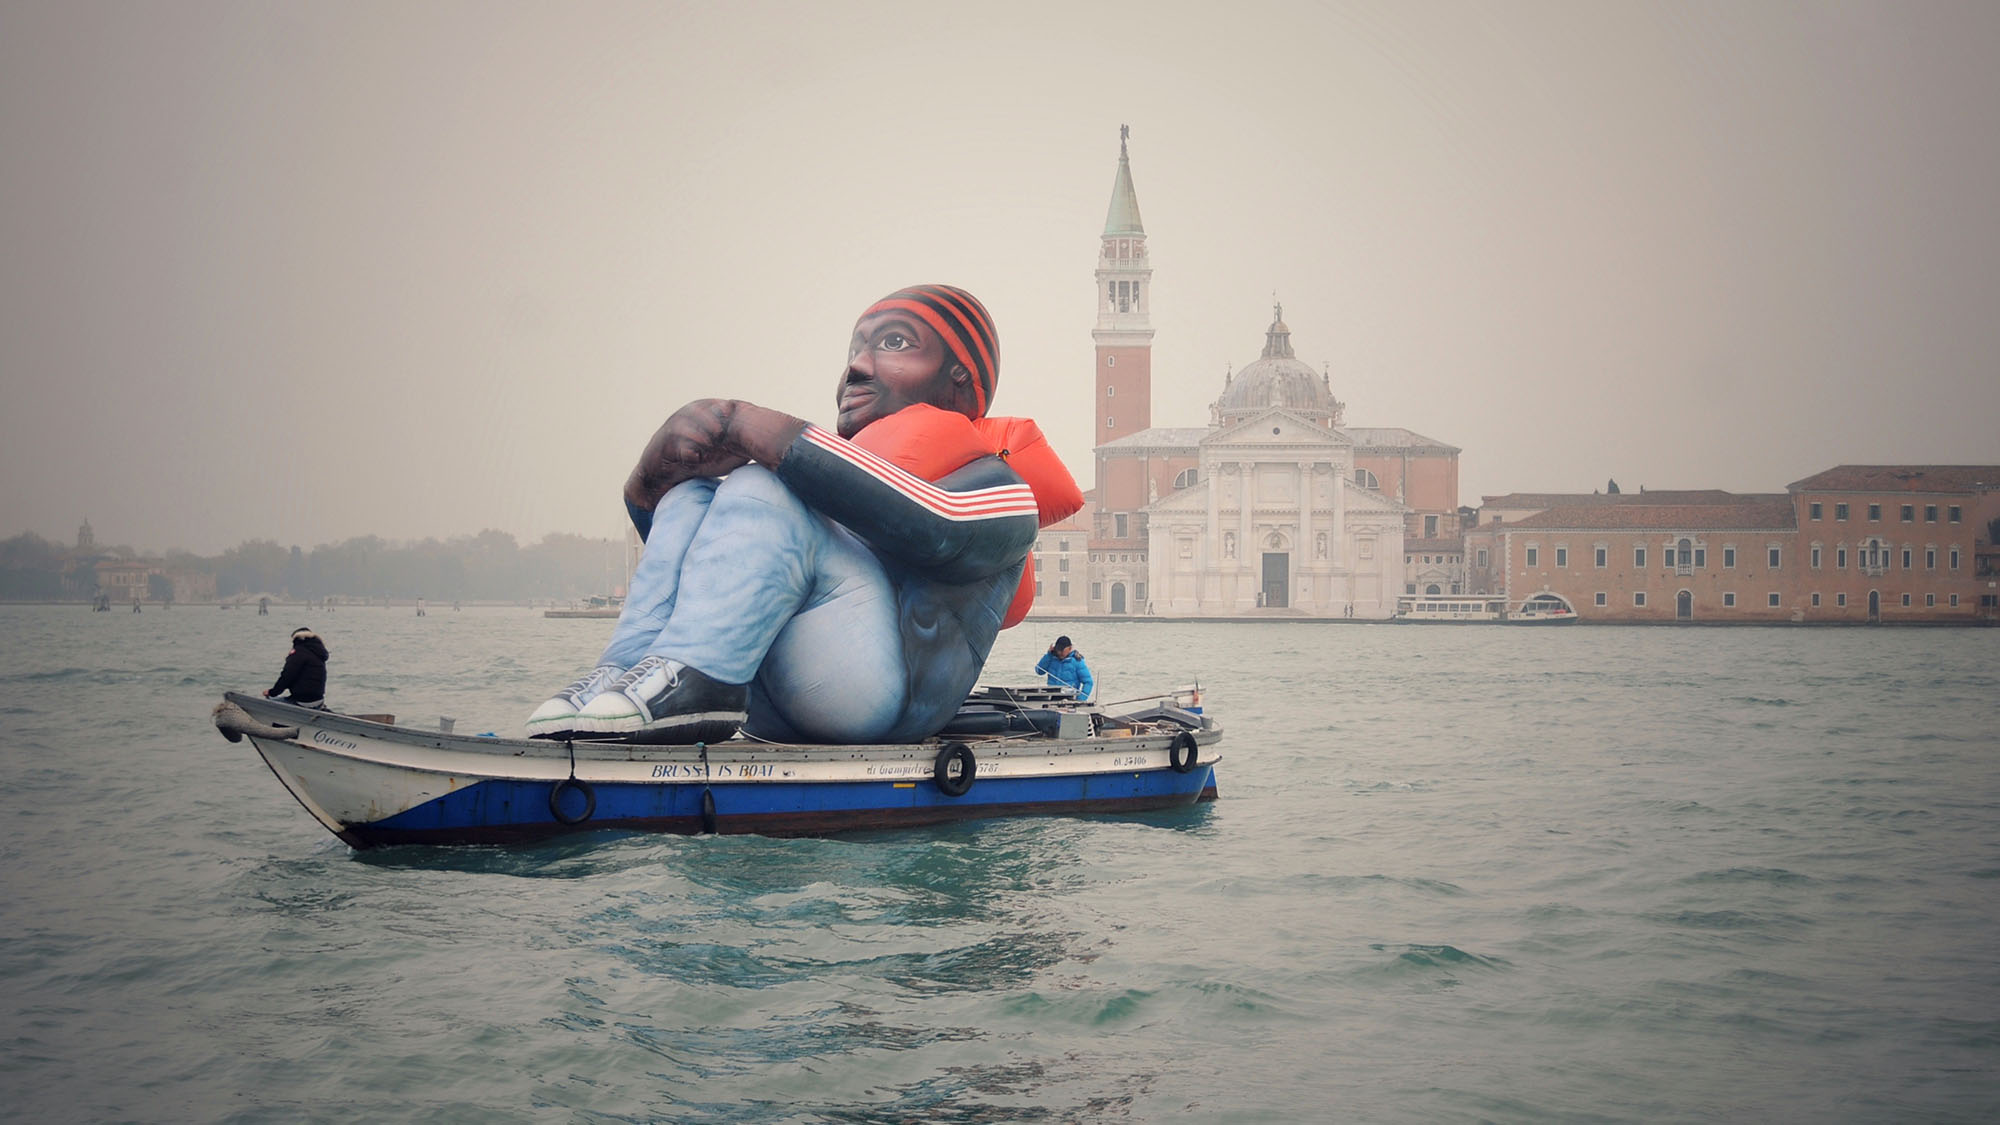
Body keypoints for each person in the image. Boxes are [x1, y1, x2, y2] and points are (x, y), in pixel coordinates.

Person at [528, 284, 1083, 745]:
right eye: (854, 350)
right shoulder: (829, 490)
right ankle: (627, 673)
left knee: (757, 484)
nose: (858, 367)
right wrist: (650, 482)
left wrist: (752, 427)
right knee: (692, 497)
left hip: (881, 704)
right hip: (767, 698)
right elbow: (712, 571)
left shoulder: (1003, 489)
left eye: (894, 343)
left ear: (960, 377)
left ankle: (693, 682)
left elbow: (937, 529)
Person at [264, 627, 330, 709]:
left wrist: (272, 692)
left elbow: (287, 676)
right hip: (318, 700)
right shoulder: (318, 652)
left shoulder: (298, 653)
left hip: (302, 701)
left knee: (268, 703)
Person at [1034, 635, 1094, 701]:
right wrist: (1049, 655)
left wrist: (1080, 699)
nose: (1060, 653)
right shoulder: (1051, 658)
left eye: (1062, 650)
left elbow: (1088, 682)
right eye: (1058, 650)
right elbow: (1039, 671)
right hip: (1051, 696)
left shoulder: (1077, 661)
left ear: (1070, 648)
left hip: (1069, 697)